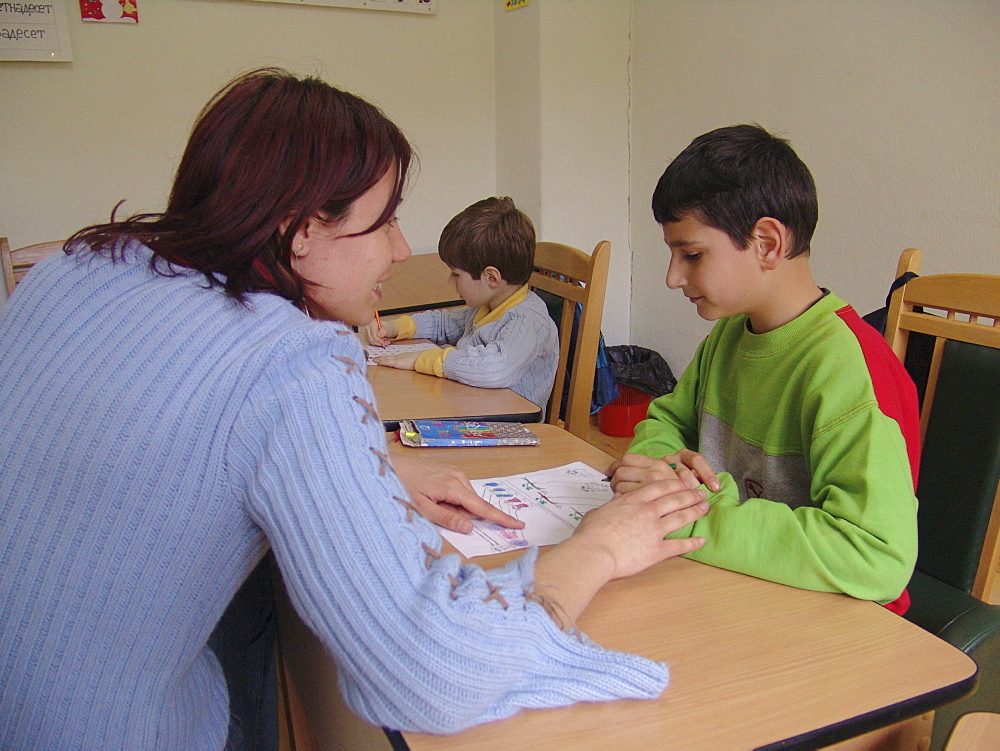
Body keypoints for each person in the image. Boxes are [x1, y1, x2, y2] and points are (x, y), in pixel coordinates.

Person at [0, 68, 710, 750]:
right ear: (298, 229)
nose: (400, 250)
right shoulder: (295, 358)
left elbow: (165, 424)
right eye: (384, 222)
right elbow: (428, 667)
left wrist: (374, 463)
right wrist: (598, 549)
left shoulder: (71, 266)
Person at [610, 124, 919, 613]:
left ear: (767, 243)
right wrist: (664, 468)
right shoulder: (731, 334)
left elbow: (876, 556)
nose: (673, 277)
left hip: (834, 625)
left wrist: (689, 513)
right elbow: (668, 420)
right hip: (735, 585)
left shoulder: (846, 368)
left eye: (691, 255)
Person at [363, 196, 558, 409]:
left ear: (491, 278)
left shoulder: (527, 321)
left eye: (456, 275)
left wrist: (425, 360)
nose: (450, 281)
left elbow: (496, 369)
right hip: (473, 407)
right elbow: (444, 324)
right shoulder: (490, 306)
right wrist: (395, 327)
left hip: (512, 426)